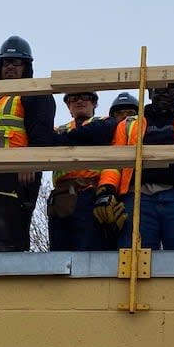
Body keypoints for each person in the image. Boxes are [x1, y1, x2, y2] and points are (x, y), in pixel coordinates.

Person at [97, 82, 174, 250]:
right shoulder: (128, 125)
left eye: (171, 90)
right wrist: (107, 190)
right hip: (137, 196)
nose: (164, 94)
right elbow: (114, 162)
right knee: (134, 258)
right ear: (149, 94)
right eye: (159, 89)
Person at [0, 36, 56, 252]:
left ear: (26, 67)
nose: (10, 67)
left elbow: (41, 137)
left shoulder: (35, 94)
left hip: (16, 177)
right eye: (6, 63)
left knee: (9, 239)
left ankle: (12, 284)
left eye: (16, 63)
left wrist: (29, 163)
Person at [49, 91, 114, 251]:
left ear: (94, 103)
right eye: (73, 98)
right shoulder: (59, 129)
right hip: (62, 197)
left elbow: (99, 132)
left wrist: (65, 141)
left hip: (91, 195)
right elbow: (46, 140)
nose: (79, 101)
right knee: (59, 252)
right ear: (68, 106)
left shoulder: (105, 122)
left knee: (89, 250)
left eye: (85, 97)